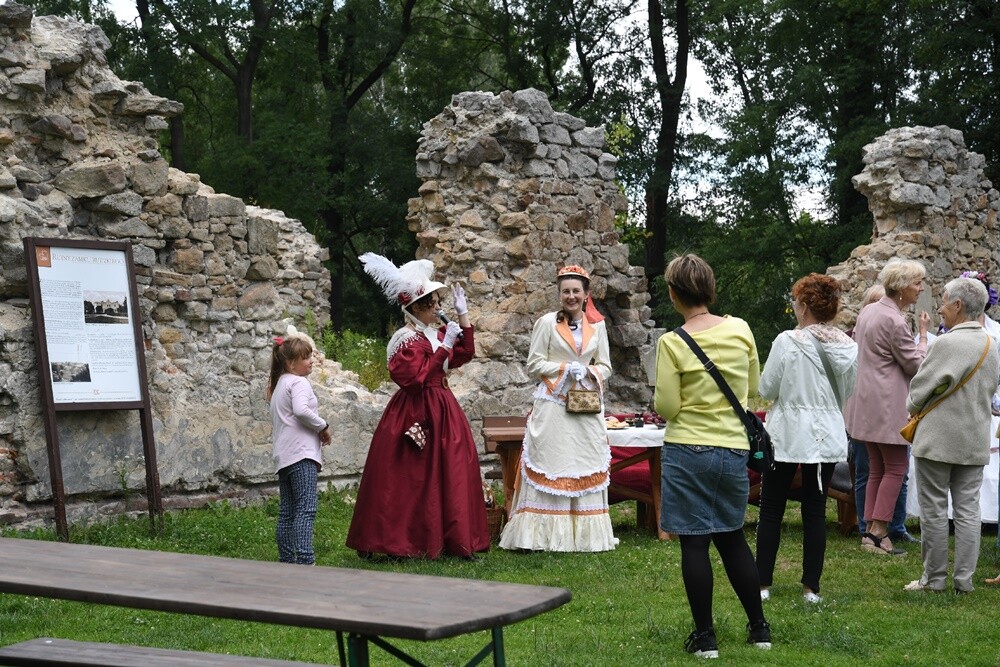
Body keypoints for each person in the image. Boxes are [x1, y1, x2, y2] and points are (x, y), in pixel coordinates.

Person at [653, 254, 770, 658]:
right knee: (733, 537)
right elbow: (753, 386)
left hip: (688, 446)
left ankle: (705, 638)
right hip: (733, 448)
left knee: (694, 544)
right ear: (710, 288)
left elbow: (667, 407)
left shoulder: (671, 343)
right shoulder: (740, 329)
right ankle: (759, 629)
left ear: (673, 294)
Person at [346, 253, 489, 560]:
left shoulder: (434, 334)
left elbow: (464, 354)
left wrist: (464, 319)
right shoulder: (405, 340)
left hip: (443, 409)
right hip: (415, 411)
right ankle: (401, 540)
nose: (438, 307)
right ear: (416, 307)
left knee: (450, 471)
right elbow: (415, 379)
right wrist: (445, 346)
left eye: (438, 302)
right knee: (409, 477)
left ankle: (452, 539)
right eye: (432, 303)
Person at [499, 264, 617, 552]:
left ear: (586, 294)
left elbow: (606, 366)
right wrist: (566, 368)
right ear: (559, 294)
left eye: (576, 291)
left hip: (585, 405)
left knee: (584, 461)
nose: (571, 296)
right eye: (566, 291)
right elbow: (534, 363)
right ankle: (539, 537)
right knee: (552, 461)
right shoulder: (547, 323)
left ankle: (585, 537)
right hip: (553, 405)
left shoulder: (598, 326)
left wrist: (588, 373)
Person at [756, 274, 857, 603]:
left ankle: (762, 584)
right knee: (815, 511)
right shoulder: (848, 346)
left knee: (771, 508)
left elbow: (767, 388)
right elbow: (848, 392)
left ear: (803, 307)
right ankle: (811, 588)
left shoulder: (788, 341)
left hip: (788, 431)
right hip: (827, 430)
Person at [903, 277, 1000, 593]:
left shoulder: (945, 343)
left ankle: (934, 578)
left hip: (938, 439)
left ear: (958, 305)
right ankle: (964, 580)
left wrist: (913, 403)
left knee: (933, 509)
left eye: (944, 300)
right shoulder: (991, 344)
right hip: (974, 438)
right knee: (969, 510)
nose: (940, 308)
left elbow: (919, 391)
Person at [844, 259, 930, 555]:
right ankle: (880, 531)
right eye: (917, 283)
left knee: (877, 470)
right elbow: (916, 365)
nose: (920, 289)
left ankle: (869, 533)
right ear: (903, 286)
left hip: (864, 402)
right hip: (886, 404)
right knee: (895, 468)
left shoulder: (869, 310)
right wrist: (923, 337)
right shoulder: (894, 320)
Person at [266, 325, 332, 565]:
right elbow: (301, 411)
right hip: (302, 455)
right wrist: (323, 426)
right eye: (306, 357)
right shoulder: (299, 383)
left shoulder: (278, 385)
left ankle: (287, 560)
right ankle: (305, 560)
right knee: (306, 509)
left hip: (283, 457)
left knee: (287, 512)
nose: (311, 361)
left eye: (311, 355)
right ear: (291, 363)